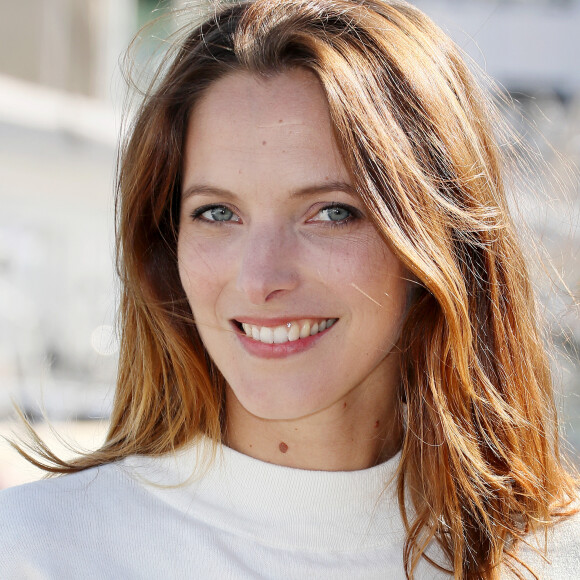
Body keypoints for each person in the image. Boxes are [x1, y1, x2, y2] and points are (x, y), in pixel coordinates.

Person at [1, 0, 579, 578]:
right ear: (165, 243)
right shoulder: (33, 552)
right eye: (217, 212)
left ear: (437, 244)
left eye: (331, 212)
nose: (260, 279)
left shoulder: (555, 558)